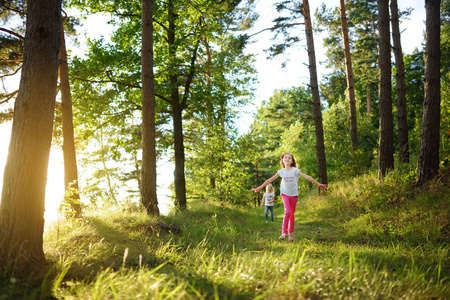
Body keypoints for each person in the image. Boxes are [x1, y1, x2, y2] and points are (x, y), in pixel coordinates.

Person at [251, 152, 327, 242]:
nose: (287, 159)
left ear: (292, 161)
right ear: (283, 160)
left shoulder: (295, 170)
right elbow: (269, 180)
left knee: (292, 214)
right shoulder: (281, 171)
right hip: (285, 194)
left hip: (294, 195)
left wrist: (318, 184)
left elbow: (307, 177)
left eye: (289, 158)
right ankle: (284, 233)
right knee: (288, 211)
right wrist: (260, 187)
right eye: (285, 158)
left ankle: (290, 233)